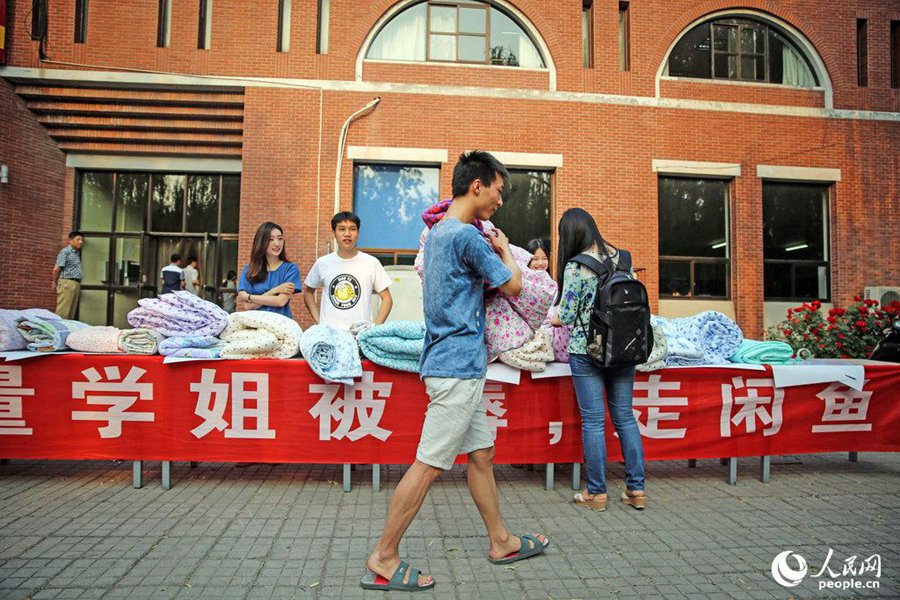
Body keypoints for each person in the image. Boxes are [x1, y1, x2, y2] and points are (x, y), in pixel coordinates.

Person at [362, 151, 548, 593]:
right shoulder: (467, 238)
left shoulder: (439, 232)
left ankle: (500, 540)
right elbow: (514, 285)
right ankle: (384, 556)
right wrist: (504, 248)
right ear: (477, 186)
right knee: (428, 465)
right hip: (458, 369)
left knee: (481, 454)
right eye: (499, 191)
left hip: (450, 363)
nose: (501, 201)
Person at [551, 207, 646, 512]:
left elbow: (565, 316)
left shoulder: (577, 266)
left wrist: (547, 316)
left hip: (587, 350)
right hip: (624, 350)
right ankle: (636, 489)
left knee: (593, 422)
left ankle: (597, 494)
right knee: (625, 417)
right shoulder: (624, 259)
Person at [302, 211, 393, 330]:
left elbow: (387, 298)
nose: (347, 234)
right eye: (341, 229)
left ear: (358, 233)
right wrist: (319, 322)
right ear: (334, 233)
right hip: (330, 335)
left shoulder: (371, 262)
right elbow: (308, 292)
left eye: (352, 229)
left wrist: (374, 328)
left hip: (359, 335)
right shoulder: (322, 263)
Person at [236, 222, 302, 319]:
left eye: (280, 239)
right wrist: (275, 290)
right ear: (261, 242)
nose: (277, 243)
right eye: (271, 239)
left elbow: (280, 301)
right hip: (256, 324)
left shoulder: (290, 269)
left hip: (280, 325)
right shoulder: (249, 270)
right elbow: (247, 306)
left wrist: (249, 297)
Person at [51, 231, 84, 319]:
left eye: (82, 240)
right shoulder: (65, 252)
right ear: (70, 240)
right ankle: (57, 330)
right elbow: (56, 269)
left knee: (71, 312)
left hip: (75, 283)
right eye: (78, 239)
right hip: (67, 283)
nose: (81, 242)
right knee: (63, 311)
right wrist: (55, 282)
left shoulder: (76, 253)